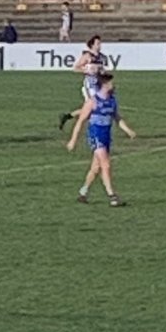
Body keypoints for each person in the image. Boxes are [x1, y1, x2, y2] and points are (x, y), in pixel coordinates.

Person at [66, 72, 135, 206]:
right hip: (96, 135)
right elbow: (80, 122)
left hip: (106, 135)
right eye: (111, 82)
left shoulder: (112, 100)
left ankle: (83, 193)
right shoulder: (93, 101)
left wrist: (127, 130)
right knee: (106, 164)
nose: (114, 85)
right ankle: (112, 197)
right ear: (105, 84)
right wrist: (73, 140)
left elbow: (117, 117)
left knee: (96, 167)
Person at [58, 34, 107, 131]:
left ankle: (67, 116)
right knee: (93, 107)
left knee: (91, 110)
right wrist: (87, 71)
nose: (100, 45)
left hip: (98, 85)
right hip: (90, 85)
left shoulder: (102, 57)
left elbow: (102, 71)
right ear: (92, 45)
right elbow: (76, 68)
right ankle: (93, 128)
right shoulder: (87, 56)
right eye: (98, 43)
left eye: (100, 43)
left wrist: (103, 74)